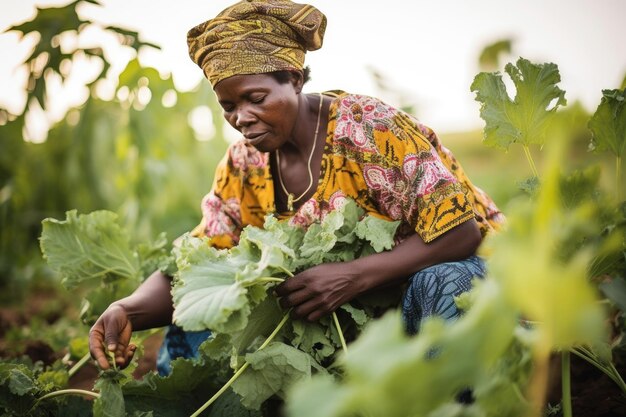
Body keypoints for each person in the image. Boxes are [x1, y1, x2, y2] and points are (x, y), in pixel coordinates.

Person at [89, 0, 504, 375]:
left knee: (440, 283)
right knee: (209, 316)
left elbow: (462, 234)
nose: (243, 118)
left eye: (256, 97)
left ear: (294, 78)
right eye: (229, 107)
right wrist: (127, 308)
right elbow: (203, 262)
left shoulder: (369, 128)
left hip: (473, 280)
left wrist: (352, 276)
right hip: (365, 317)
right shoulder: (243, 165)